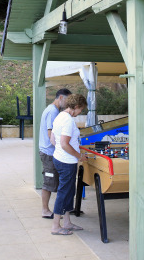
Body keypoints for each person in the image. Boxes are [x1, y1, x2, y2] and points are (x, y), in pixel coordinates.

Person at [49, 94, 88, 235]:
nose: (80, 113)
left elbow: (53, 139)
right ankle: (55, 226)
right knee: (64, 192)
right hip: (67, 162)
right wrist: (80, 156)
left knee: (69, 191)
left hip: (59, 159)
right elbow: (65, 144)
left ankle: (66, 222)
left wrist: (64, 150)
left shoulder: (60, 116)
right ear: (76, 107)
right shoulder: (68, 121)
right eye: (81, 110)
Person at [39, 88, 71, 219]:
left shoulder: (52, 109)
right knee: (49, 182)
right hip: (48, 153)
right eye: (67, 101)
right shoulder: (52, 111)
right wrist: (63, 147)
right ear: (61, 98)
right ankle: (45, 210)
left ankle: (53, 209)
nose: (68, 104)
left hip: (49, 152)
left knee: (53, 181)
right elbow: (50, 134)